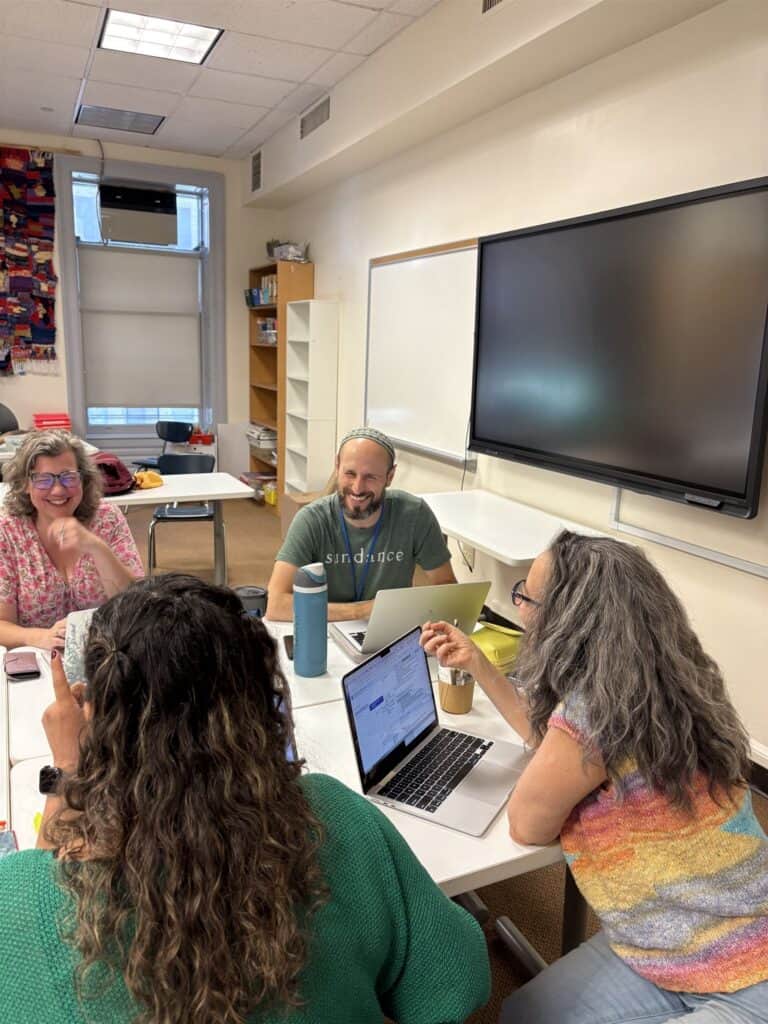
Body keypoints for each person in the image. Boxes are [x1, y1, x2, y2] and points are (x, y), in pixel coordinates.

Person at [0, 573, 491, 1024]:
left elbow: (49, 878)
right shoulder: (334, 817)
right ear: (259, 707)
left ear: (99, 723)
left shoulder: (21, 898)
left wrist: (69, 774)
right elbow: (455, 984)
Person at [421, 531, 768, 1024]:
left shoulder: (595, 713)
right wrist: (478, 663)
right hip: (669, 941)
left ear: (568, 623)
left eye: (527, 598)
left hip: (748, 974)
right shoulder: (671, 681)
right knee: (522, 1013)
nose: (519, 608)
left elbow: (527, 823)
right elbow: (554, 742)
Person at [266, 427, 456, 621]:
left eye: (370, 477)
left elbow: (447, 588)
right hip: (326, 631)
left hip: (389, 630)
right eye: (350, 473)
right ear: (337, 466)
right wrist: (361, 612)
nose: (357, 488)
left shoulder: (414, 514)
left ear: (390, 477)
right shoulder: (312, 520)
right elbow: (276, 605)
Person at [0, 429, 143, 650]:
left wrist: (96, 547)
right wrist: (40, 637)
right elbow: (2, 624)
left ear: (83, 480)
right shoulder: (8, 532)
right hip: (41, 662)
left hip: (110, 656)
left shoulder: (107, 518)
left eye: (68, 477)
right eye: (43, 480)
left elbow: (136, 603)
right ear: (25, 484)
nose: (58, 490)